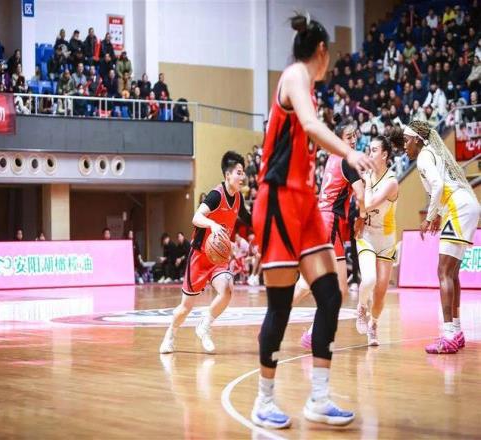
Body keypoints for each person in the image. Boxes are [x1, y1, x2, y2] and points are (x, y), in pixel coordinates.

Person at [250, 14, 374, 429]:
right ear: (321, 51)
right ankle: (264, 400)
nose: (329, 62)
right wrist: (349, 152)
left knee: (331, 295)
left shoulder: (308, 85)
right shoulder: (295, 76)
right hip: (278, 200)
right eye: (330, 55)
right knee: (281, 305)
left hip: (303, 204)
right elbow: (309, 124)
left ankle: (319, 398)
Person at [159, 151, 252, 354]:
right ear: (227, 175)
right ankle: (170, 334)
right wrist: (213, 224)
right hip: (200, 257)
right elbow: (196, 217)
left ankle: (205, 325)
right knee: (185, 308)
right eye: (239, 172)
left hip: (218, 258)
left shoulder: (238, 198)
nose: (242, 177)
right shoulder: (216, 195)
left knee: (227, 290)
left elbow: (249, 220)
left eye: (243, 172)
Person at [403, 121, 480, 354]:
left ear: (417, 140)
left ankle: (448, 335)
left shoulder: (424, 156)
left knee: (443, 272)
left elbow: (437, 186)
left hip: (457, 207)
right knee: (452, 273)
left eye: (406, 140)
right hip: (467, 205)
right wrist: (438, 214)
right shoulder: (433, 152)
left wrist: (429, 217)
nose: (404, 145)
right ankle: (455, 330)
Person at [293, 121, 366, 350]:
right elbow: (361, 195)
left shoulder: (332, 158)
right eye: (348, 137)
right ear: (339, 139)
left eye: (354, 136)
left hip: (322, 222)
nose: (353, 140)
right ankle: (310, 332)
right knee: (337, 288)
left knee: (309, 283)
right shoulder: (347, 159)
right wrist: (362, 217)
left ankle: (278, 318)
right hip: (329, 224)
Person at [355, 133, 401, 346]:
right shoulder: (366, 176)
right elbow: (361, 206)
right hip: (367, 236)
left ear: (384, 155)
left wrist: (367, 182)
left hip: (386, 240)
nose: (370, 153)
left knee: (381, 291)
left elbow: (370, 203)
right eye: (369, 150)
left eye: (374, 150)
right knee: (369, 280)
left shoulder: (391, 182)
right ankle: (361, 307)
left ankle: (373, 324)